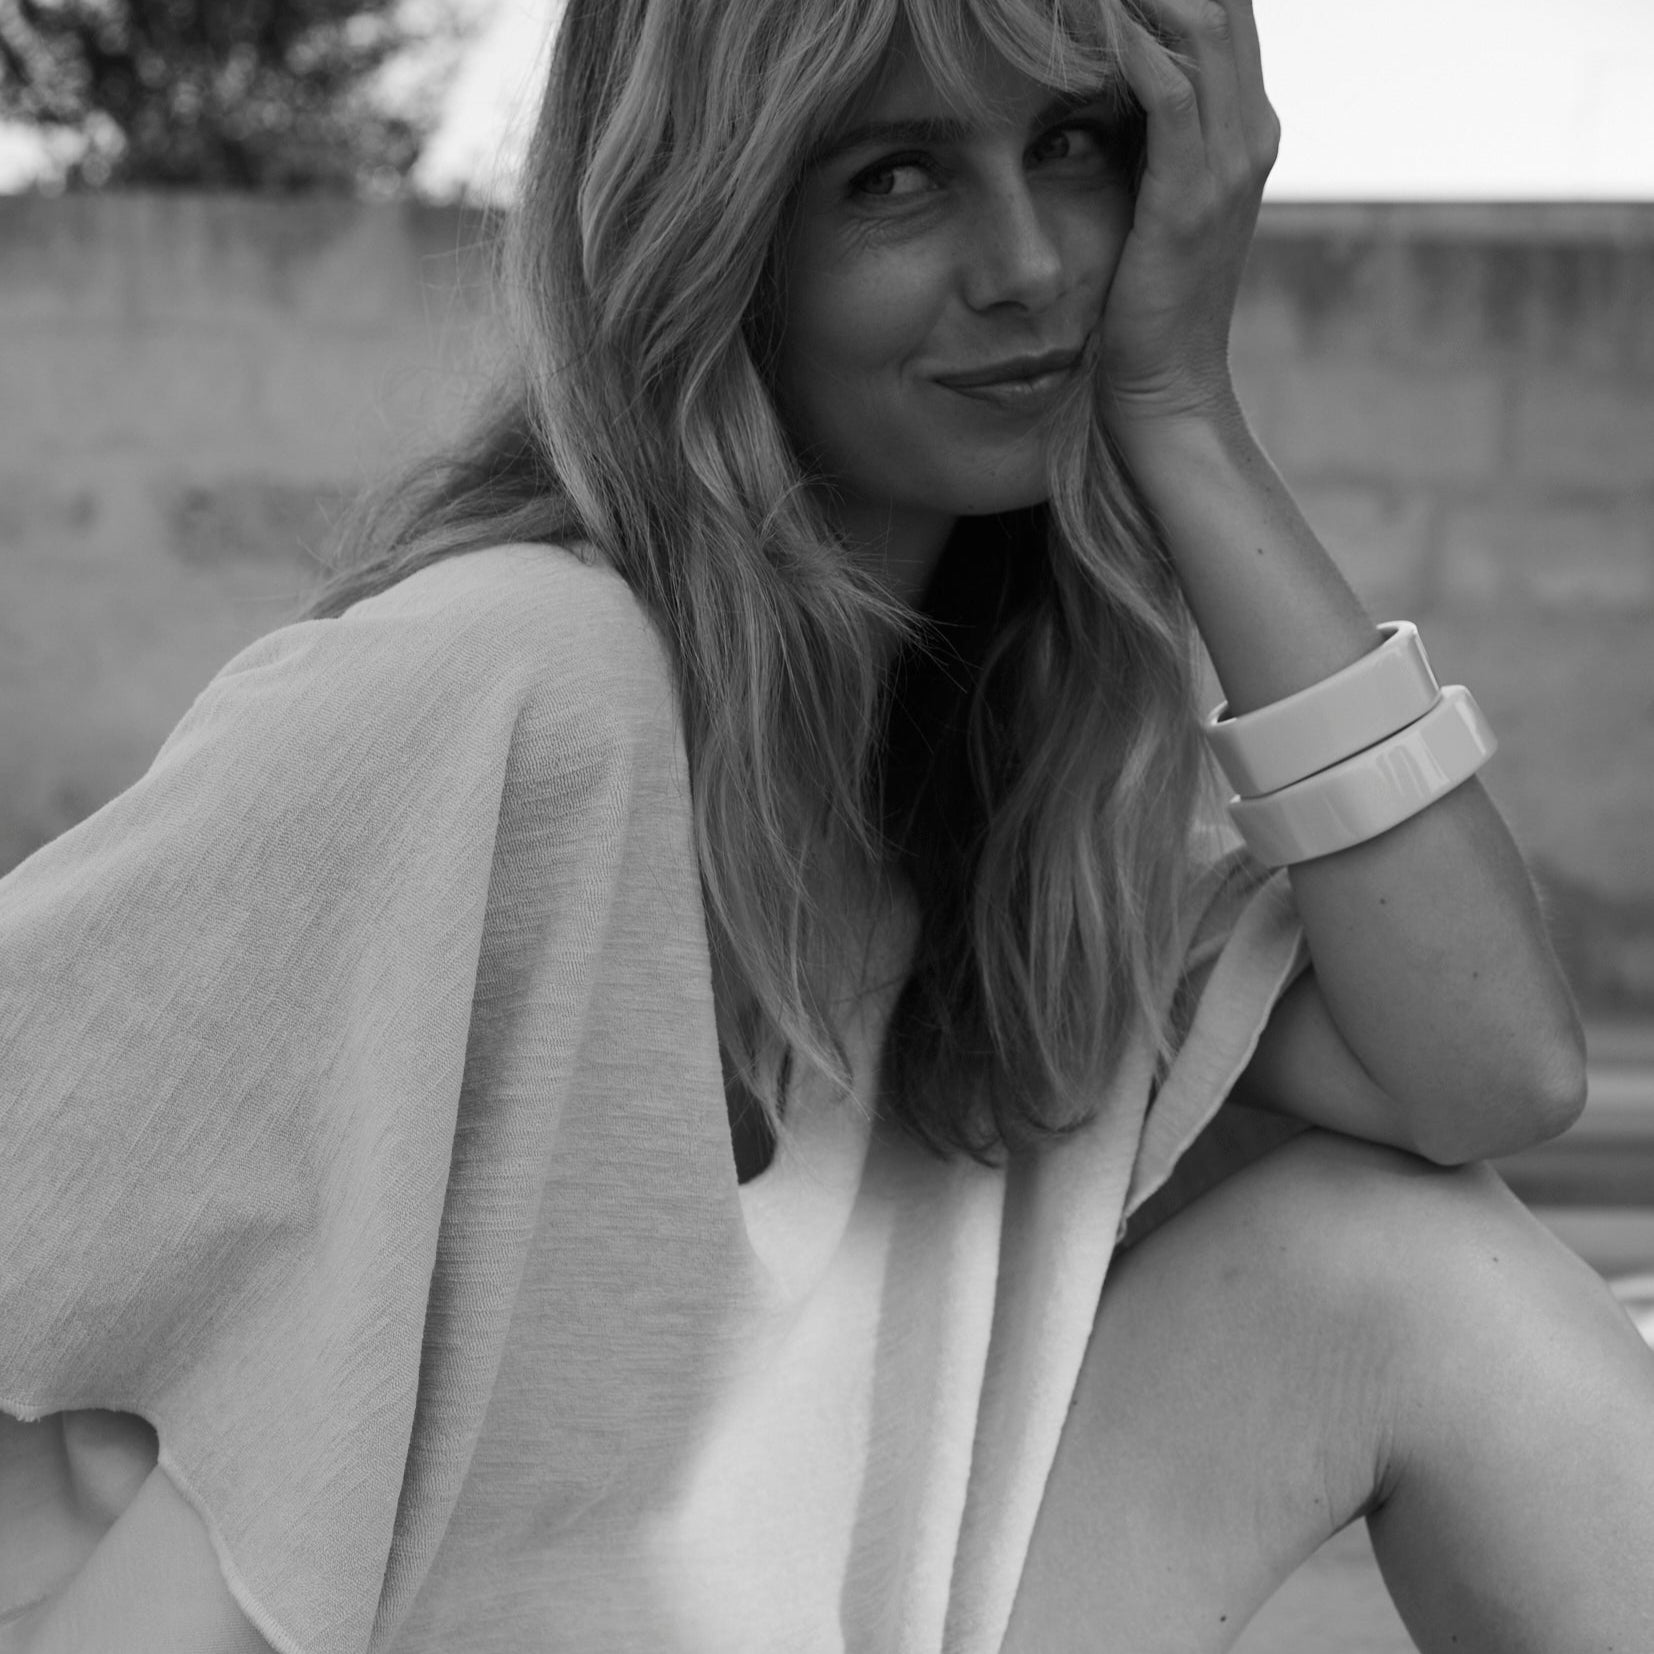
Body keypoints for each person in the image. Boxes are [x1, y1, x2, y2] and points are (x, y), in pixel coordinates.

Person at [3, 0, 1652, 1648]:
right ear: (713, 235)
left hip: (861, 1607)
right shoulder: (506, 675)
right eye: (892, 177)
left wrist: (1183, 415)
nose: (1026, 264)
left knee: (1402, 1271)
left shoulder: (1011, 787)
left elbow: (1489, 1071)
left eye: (1071, 147)